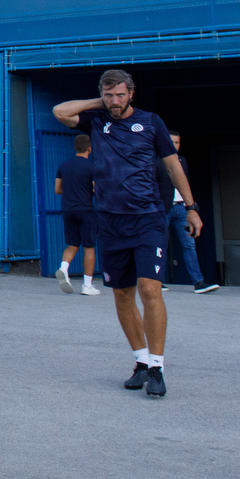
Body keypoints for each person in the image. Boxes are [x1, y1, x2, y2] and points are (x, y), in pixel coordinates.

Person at [53, 69, 200, 399]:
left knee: (149, 288)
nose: (115, 101)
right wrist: (100, 103)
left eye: (120, 95)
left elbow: (173, 164)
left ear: (132, 93)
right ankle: (141, 362)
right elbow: (60, 112)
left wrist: (190, 205)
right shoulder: (96, 121)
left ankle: (158, 368)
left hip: (147, 217)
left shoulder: (151, 122)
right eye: (109, 95)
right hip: (109, 220)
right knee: (122, 294)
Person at [159, 132, 217, 292]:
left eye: (177, 142)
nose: (174, 145)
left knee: (189, 243)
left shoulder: (182, 161)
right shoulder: (157, 161)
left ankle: (198, 282)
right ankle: (158, 281)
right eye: (171, 142)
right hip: (163, 207)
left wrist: (190, 206)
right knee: (159, 244)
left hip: (182, 208)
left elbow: (186, 183)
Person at [54, 136, 100, 296]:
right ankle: (87, 285)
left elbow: (57, 189)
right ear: (89, 148)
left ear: (75, 147)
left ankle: (63, 268)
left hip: (68, 210)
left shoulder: (63, 166)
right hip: (86, 210)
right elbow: (96, 190)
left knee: (72, 245)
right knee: (89, 247)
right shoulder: (92, 167)